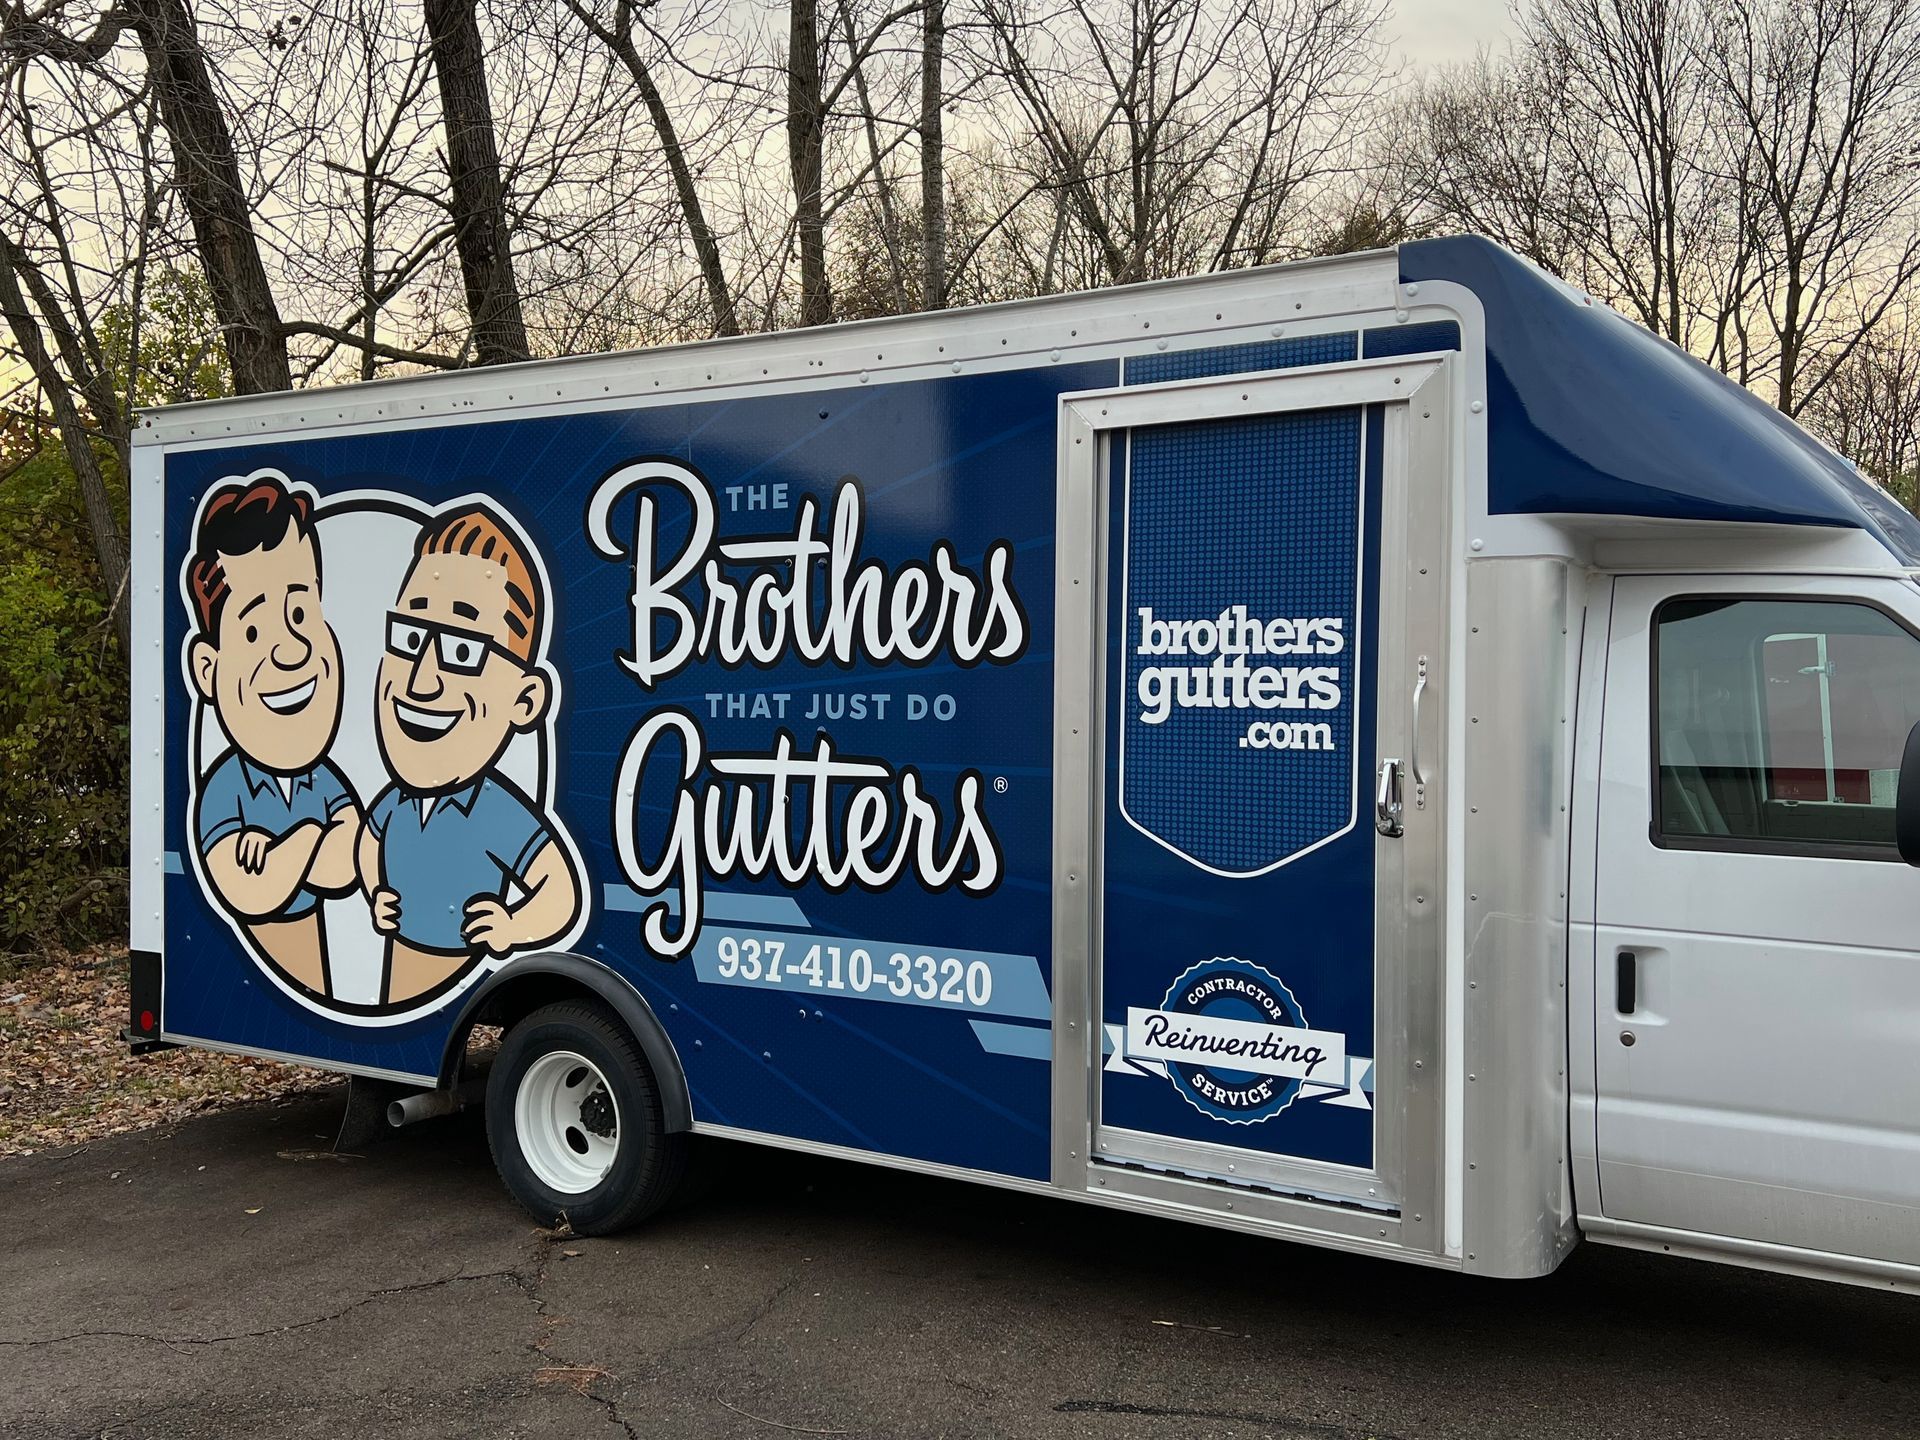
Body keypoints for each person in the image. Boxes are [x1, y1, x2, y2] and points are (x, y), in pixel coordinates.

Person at [359, 505, 582, 1005]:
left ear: (524, 700)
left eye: (463, 651)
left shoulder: (496, 810)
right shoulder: (397, 799)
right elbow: (368, 841)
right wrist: (376, 892)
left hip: (458, 968)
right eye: (410, 638)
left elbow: (559, 889)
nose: (421, 680)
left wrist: (514, 926)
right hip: (400, 963)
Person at [186, 474, 359, 996]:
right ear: (208, 669)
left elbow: (347, 862)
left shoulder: (323, 778)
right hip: (269, 946)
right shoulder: (225, 789)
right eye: (255, 630)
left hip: (313, 942)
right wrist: (314, 838)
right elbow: (250, 891)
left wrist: (289, 846)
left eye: (301, 613)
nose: (292, 650)